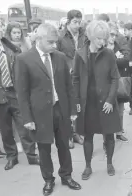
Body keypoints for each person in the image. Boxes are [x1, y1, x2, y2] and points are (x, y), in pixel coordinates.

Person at [15, 23, 81, 195]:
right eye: (51, 42)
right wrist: (27, 119)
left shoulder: (59, 57)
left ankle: (66, 176)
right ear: (39, 39)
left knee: (64, 146)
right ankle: (48, 180)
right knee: (44, 148)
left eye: (55, 42)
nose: (54, 45)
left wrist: (73, 109)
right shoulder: (24, 59)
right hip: (39, 114)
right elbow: (21, 93)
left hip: (61, 109)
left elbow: (69, 85)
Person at [72, 20, 121, 179]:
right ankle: (87, 166)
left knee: (109, 134)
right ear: (91, 36)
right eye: (99, 38)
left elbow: (115, 78)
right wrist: (77, 102)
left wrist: (110, 99)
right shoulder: (80, 54)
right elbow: (76, 79)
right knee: (88, 136)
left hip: (106, 101)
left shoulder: (109, 54)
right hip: (88, 103)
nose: (102, 42)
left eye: (104, 38)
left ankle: (110, 163)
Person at [0, 18, 39, 170]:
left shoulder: (11, 48)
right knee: (6, 130)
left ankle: (32, 155)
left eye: (1, 26)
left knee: (24, 125)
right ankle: (12, 157)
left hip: (15, 93)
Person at [57, 9, 86, 148]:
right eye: (75, 22)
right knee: (66, 106)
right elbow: (55, 56)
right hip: (65, 75)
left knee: (78, 104)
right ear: (68, 21)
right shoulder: (60, 37)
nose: (77, 25)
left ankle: (76, 132)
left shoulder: (83, 35)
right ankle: (68, 134)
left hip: (80, 75)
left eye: (79, 22)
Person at [107, 21, 129, 142]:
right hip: (106, 83)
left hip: (118, 80)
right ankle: (108, 138)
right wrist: (116, 59)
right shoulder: (102, 46)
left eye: (115, 35)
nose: (113, 37)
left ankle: (119, 132)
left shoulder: (116, 46)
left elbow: (125, 60)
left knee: (120, 110)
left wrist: (114, 60)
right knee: (108, 111)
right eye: (111, 34)